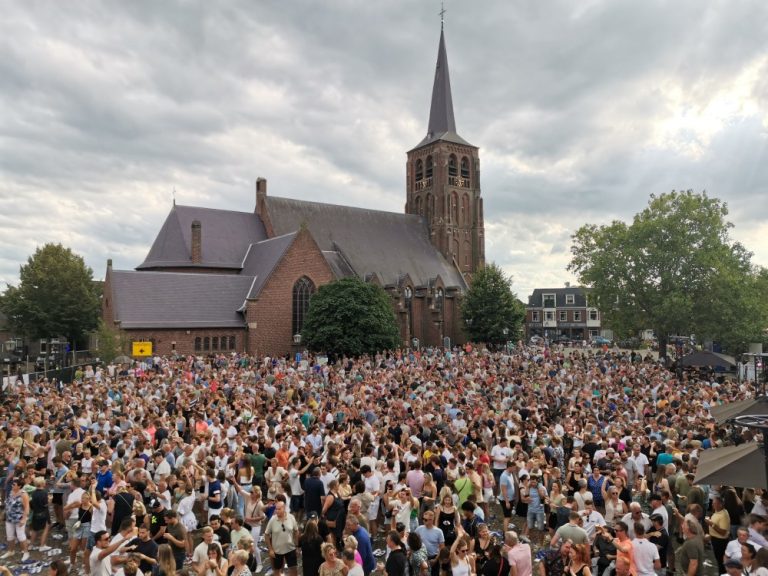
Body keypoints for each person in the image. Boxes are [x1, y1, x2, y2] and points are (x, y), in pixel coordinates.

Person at [264, 500, 299, 576]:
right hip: (277, 550)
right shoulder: (273, 519)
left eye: (279, 509)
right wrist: (270, 550)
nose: (277, 511)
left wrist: (297, 546)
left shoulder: (291, 517)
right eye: (276, 509)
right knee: (277, 571)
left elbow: (296, 531)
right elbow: (266, 534)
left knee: (294, 569)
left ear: (284, 508)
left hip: (290, 548)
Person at [1, 477, 30, 562]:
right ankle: (10, 551)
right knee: (9, 535)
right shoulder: (11, 492)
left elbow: (27, 508)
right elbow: (8, 504)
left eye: (14, 484)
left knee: (21, 536)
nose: (12, 485)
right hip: (9, 518)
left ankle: (26, 552)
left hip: (19, 518)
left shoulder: (24, 494)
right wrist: (3, 514)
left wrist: (24, 519)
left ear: (19, 486)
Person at [706, 494, 730, 576]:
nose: (712, 504)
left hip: (720, 542)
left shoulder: (724, 515)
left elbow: (723, 532)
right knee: (719, 560)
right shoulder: (718, 511)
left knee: (721, 562)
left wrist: (710, 523)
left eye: (714, 503)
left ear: (720, 504)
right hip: (715, 539)